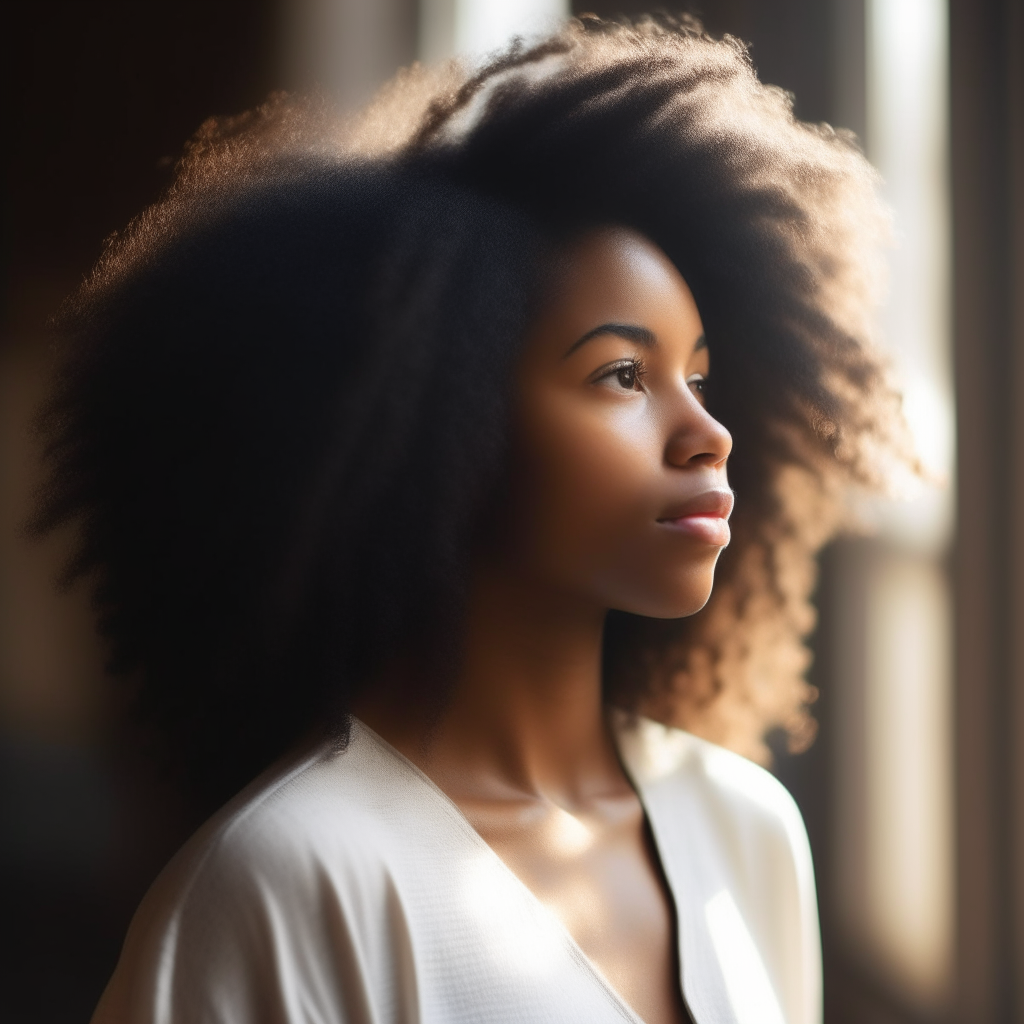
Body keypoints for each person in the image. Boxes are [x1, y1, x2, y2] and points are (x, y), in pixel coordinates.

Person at [34, 15, 899, 1024]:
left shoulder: (744, 826)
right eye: (623, 374)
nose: (707, 432)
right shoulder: (287, 883)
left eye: (699, 377)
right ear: (446, 421)